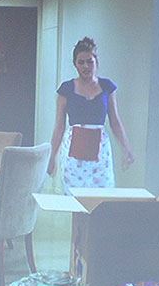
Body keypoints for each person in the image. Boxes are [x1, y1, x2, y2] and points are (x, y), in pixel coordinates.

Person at [47, 36, 135, 193]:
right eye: (81, 62)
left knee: (101, 197)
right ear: (75, 64)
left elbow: (115, 121)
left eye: (89, 61)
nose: (85, 66)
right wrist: (52, 156)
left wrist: (126, 148)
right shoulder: (66, 89)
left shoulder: (107, 87)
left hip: (100, 153)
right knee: (74, 197)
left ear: (96, 62)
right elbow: (59, 126)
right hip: (73, 153)